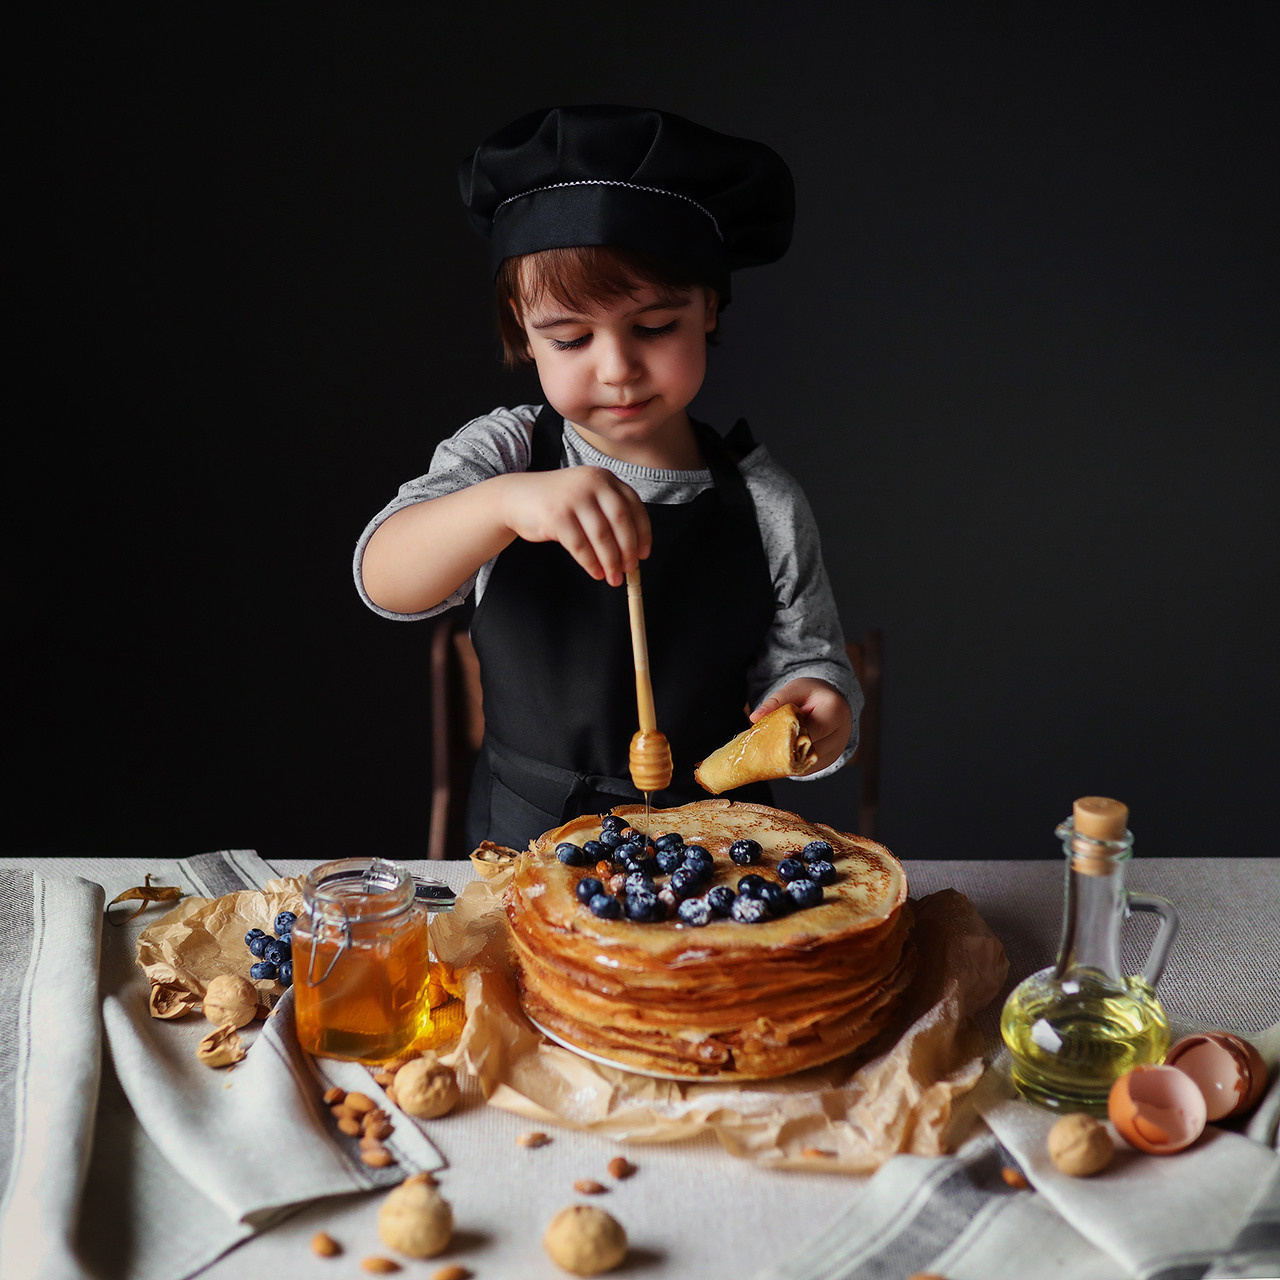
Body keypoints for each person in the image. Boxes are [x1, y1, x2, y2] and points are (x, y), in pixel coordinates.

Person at [355, 104, 861, 850]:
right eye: (570, 338)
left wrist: (820, 707)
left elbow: (811, 665)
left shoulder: (764, 502)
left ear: (709, 310)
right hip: (524, 846)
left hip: (710, 852)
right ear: (523, 337)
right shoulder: (509, 455)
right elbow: (384, 576)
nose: (618, 368)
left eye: (655, 328)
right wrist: (504, 504)